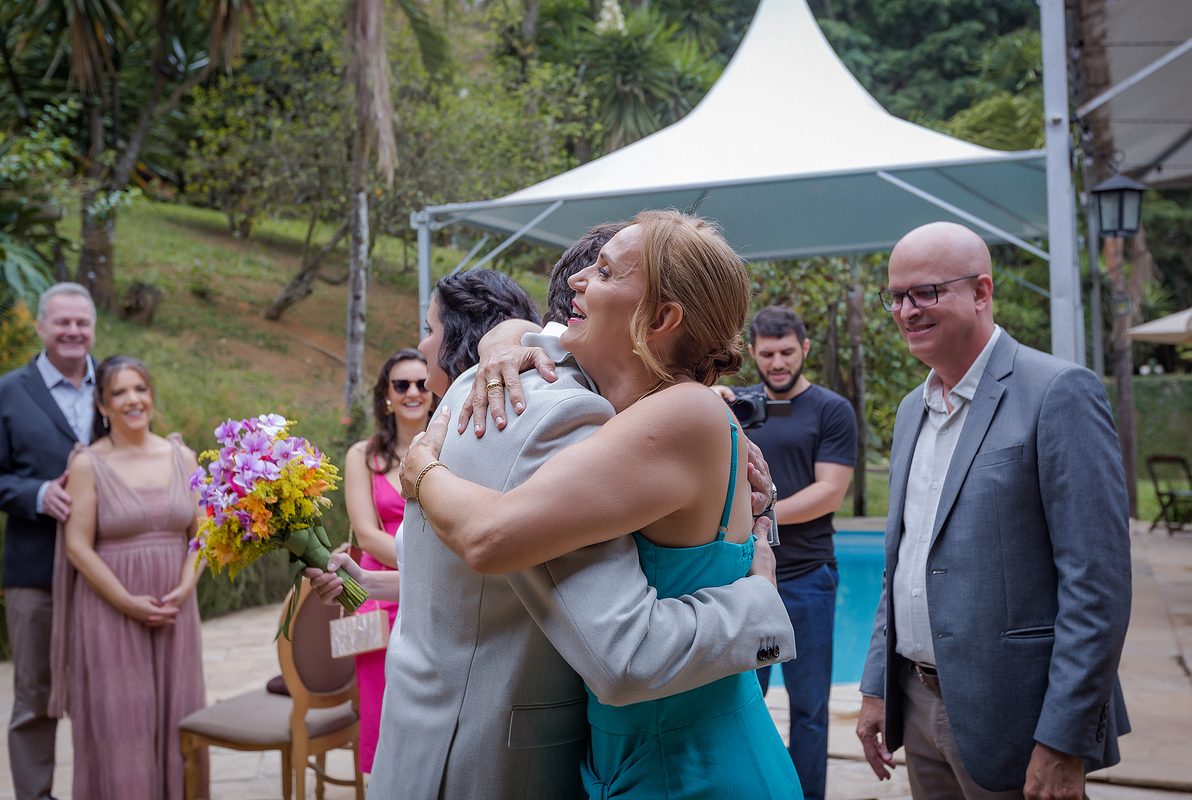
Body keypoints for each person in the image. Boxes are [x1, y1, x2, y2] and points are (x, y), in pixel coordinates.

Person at [310, 235, 792, 800]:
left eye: (605, 273)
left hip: (690, 765)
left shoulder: (603, 415)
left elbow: (496, 544)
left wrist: (422, 472)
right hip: (616, 759)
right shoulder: (580, 404)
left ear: (661, 317)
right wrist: (503, 337)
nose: (579, 282)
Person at [855, 221, 1131, 800]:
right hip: (915, 702)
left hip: (1018, 720)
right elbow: (903, 563)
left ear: (981, 292)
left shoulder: (1059, 392)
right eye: (896, 296)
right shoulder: (910, 410)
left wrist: (1065, 740)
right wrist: (877, 686)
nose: (906, 310)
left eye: (925, 292)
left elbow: (1097, 586)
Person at [47, 356, 207, 800]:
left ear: (151, 396)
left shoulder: (183, 457)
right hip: (110, 610)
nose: (132, 400)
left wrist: (185, 587)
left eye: (140, 389)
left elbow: (204, 534)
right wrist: (125, 601)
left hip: (175, 607)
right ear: (102, 405)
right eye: (118, 392)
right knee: (123, 727)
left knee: (180, 716)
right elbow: (78, 546)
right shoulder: (87, 464)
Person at [715, 305, 857, 800]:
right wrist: (709, 402)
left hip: (807, 578)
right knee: (743, 701)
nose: (778, 363)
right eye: (768, 353)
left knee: (810, 709)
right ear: (752, 352)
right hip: (745, 578)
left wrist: (761, 515)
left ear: (805, 349)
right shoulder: (737, 406)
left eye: (787, 352)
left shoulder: (831, 410)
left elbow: (829, 493)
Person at [0, 282, 96, 800]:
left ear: (93, 328)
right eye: (62, 322)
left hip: (107, 569)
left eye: (82, 323)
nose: (72, 331)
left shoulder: (118, 385)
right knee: (35, 695)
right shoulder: (5, 392)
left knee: (104, 692)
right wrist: (36, 494)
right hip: (35, 570)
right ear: (40, 326)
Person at [343, 348, 431, 774]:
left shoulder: (454, 447)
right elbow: (365, 535)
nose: (413, 392)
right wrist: (425, 563)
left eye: (422, 383)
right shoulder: (362, 455)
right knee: (380, 714)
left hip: (435, 593)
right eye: (401, 384)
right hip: (378, 597)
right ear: (386, 396)